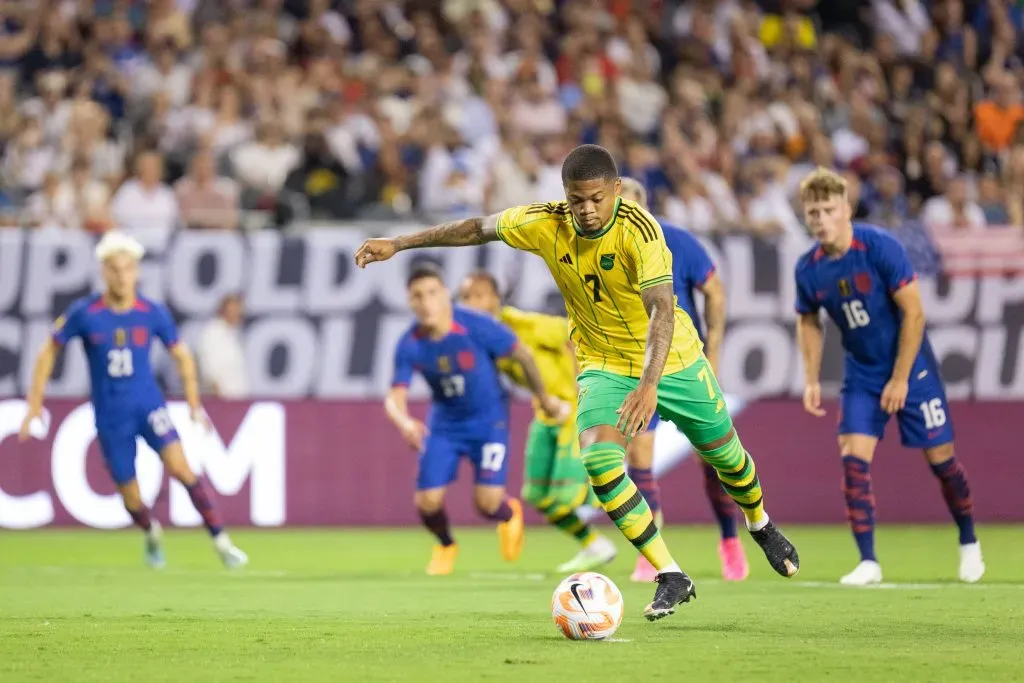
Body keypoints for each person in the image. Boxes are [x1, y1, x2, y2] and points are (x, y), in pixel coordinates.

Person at [357, 144, 800, 621]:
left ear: (615, 191)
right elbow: (474, 228)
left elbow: (663, 312)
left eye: (595, 198)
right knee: (601, 464)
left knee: (726, 458)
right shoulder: (545, 221)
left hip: (674, 361)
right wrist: (400, 243)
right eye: (576, 199)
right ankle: (670, 573)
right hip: (603, 364)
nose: (586, 210)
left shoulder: (641, 232)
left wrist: (649, 384)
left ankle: (760, 523)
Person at [794, 167, 984, 586]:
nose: (821, 220)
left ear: (846, 209)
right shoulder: (808, 268)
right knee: (853, 460)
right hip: (861, 373)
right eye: (813, 213)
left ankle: (969, 540)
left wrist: (900, 379)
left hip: (912, 369)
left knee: (943, 463)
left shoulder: (880, 246)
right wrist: (810, 378)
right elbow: (807, 320)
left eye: (828, 210)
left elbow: (914, 312)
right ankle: (868, 561)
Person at [18, 231, 248, 570]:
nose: (122, 276)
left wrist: (194, 404)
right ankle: (151, 530)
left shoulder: (152, 312)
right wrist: (34, 403)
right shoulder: (86, 312)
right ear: (104, 272)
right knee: (131, 496)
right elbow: (48, 351)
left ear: (137, 271)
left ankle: (222, 541)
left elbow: (183, 357)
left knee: (182, 468)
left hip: (149, 406)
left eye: (128, 269)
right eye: (114, 269)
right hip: (111, 417)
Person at [386, 263, 563, 576]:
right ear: (409, 301)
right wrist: (405, 422)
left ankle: (509, 514)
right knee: (427, 502)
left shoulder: (476, 326)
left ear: (444, 295)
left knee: (487, 504)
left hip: (488, 422)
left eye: (431, 293)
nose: (426, 302)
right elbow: (395, 396)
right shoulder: (410, 343)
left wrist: (545, 398)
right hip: (445, 426)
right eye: (417, 296)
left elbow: (522, 354)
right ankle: (445, 544)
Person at [617, 177, 749, 584]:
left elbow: (715, 292)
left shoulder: (676, 241)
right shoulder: (601, 248)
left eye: (633, 205)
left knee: (711, 457)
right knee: (639, 455)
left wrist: (714, 352)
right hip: (635, 368)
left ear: (645, 207)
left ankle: (730, 540)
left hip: (682, 363)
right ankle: (650, 552)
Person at [458, 271, 617, 573]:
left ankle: (611, 481)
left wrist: (582, 388)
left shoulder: (521, 324)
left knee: (568, 494)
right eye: (466, 298)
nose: (472, 303)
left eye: (479, 295)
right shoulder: (479, 338)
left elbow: (573, 334)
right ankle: (594, 544)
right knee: (538, 496)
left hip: (571, 410)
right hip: (545, 413)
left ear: (495, 298)